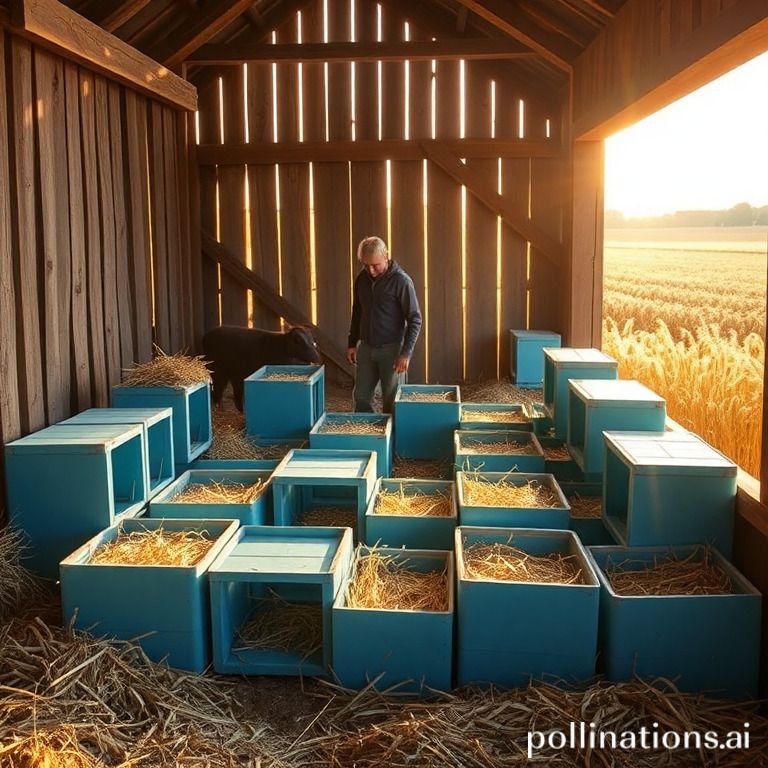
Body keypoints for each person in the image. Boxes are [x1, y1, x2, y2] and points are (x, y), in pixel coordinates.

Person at [347, 236, 422, 413]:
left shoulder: (401, 281)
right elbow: (358, 312)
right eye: (366, 265)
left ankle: (393, 438)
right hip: (366, 347)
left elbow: (415, 319)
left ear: (386, 256)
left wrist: (406, 353)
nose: (371, 270)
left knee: (392, 401)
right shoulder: (361, 280)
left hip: (392, 350)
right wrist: (352, 343)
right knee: (361, 397)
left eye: (375, 265)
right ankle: (367, 438)